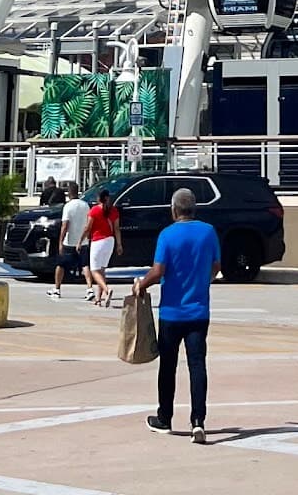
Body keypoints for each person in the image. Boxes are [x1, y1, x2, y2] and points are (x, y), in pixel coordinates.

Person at [135, 185, 222, 444]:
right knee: (197, 365)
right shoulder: (208, 232)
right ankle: (198, 420)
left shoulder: (167, 235)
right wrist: (202, 282)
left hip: (172, 313)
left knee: (168, 366)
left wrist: (141, 283)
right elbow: (216, 266)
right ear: (193, 208)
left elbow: (158, 270)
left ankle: (165, 417)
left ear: (174, 210)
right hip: (199, 311)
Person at [52, 181, 91, 300]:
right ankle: (89, 289)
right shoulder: (85, 205)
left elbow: (65, 225)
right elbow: (88, 223)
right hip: (82, 241)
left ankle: (57, 289)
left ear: (69, 193)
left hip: (70, 241)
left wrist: (60, 241)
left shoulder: (68, 206)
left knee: (61, 265)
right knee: (85, 265)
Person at [84, 187, 120, 309]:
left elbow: (88, 228)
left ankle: (106, 289)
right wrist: (119, 244)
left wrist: (80, 241)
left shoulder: (94, 210)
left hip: (97, 241)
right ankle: (99, 299)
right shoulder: (114, 210)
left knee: (94, 270)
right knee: (102, 270)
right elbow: (116, 229)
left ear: (99, 198)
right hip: (110, 241)